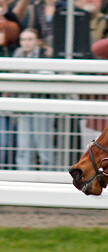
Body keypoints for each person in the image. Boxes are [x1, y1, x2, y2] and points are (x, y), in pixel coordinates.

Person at [14, 28, 55, 171]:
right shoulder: (16, 56)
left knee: (44, 147)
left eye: (30, 39)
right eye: (23, 39)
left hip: (41, 106)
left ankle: (48, 176)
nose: (26, 43)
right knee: (23, 146)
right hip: (23, 106)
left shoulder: (45, 56)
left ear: (37, 41)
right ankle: (22, 176)